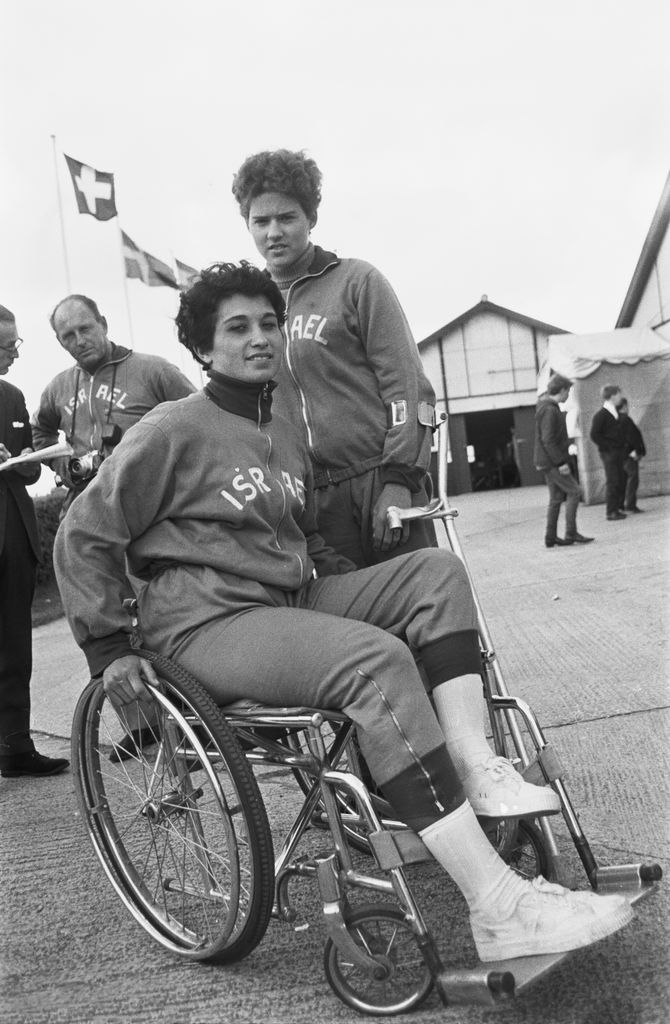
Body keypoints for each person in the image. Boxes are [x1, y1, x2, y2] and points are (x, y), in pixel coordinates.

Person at [54, 263, 632, 962]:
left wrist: (358, 585)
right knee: (375, 661)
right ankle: (499, 905)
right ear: (202, 348)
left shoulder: (288, 426)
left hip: (290, 596)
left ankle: (476, 766)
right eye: (237, 328)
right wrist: (108, 647)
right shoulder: (171, 429)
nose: (260, 337)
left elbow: (300, 534)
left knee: (435, 574)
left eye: (269, 323)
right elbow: (84, 532)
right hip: (208, 623)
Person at [231, 149, 438, 568]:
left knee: (419, 609)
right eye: (261, 221)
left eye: (287, 218)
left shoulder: (357, 282)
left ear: (311, 218)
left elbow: (408, 388)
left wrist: (399, 481)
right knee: (349, 626)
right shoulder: (251, 310)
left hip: (380, 479)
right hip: (308, 502)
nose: (274, 232)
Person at [31, 294, 196, 516]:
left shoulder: (154, 371)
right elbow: (39, 431)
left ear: (103, 324)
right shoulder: (57, 388)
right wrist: (63, 465)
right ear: (61, 342)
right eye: (69, 336)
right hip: (84, 510)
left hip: (151, 510)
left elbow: (201, 420)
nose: (80, 341)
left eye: (85, 329)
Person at [0, 305, 69, 777]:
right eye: (8, 345)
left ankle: (15, 747)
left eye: (15, 344)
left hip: (14, 531)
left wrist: (22, 458)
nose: (14, 355)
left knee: (14, 643)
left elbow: (27, 469)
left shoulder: (12, 396)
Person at [534, 373, 594, 548]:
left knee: (556, 498)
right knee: (574, 491)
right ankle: (571, 533)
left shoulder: (546, 406)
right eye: (568, 391)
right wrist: (561, 463)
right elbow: (548, 440)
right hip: (552, 461)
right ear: (561, 390)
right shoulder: (550, 410)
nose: (568, 395)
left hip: (546, 461)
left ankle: (550, 537)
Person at [589, 385, 626, 521]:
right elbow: (594, 434)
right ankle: (611, 511)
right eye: (619, 395)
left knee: (618, 479)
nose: (621, 397)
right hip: (609, 453)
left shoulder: (613, 412)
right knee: (613, 480)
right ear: (612, 396)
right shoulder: (601, 415)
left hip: (616, 452)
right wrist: (608, 446)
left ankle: (615, 508)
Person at [618, 398, 646, 513]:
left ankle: (620, 505)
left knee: (623, 480)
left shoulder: (614, 420)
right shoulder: (626, 419)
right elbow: (633, 437)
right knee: (632, 478)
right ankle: (630, 504)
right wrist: (637, 451)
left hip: (620, 455)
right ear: (624, 406)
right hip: (629, 455)